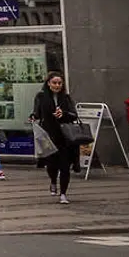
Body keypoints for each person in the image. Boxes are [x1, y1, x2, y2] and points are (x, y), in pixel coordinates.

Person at [33, 72, 79, 204]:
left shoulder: (66, 98)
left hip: (64, 136)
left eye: (59, 83)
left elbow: (74, 115)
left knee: (65, 166)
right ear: (48, 83)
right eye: (54, 83)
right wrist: (33, 116)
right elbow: (36, 112)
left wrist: (63, 114)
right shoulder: (41, 97)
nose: (57, 85)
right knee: (51, 165)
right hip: (48, 135)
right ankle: (53, 180)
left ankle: (63, 193)